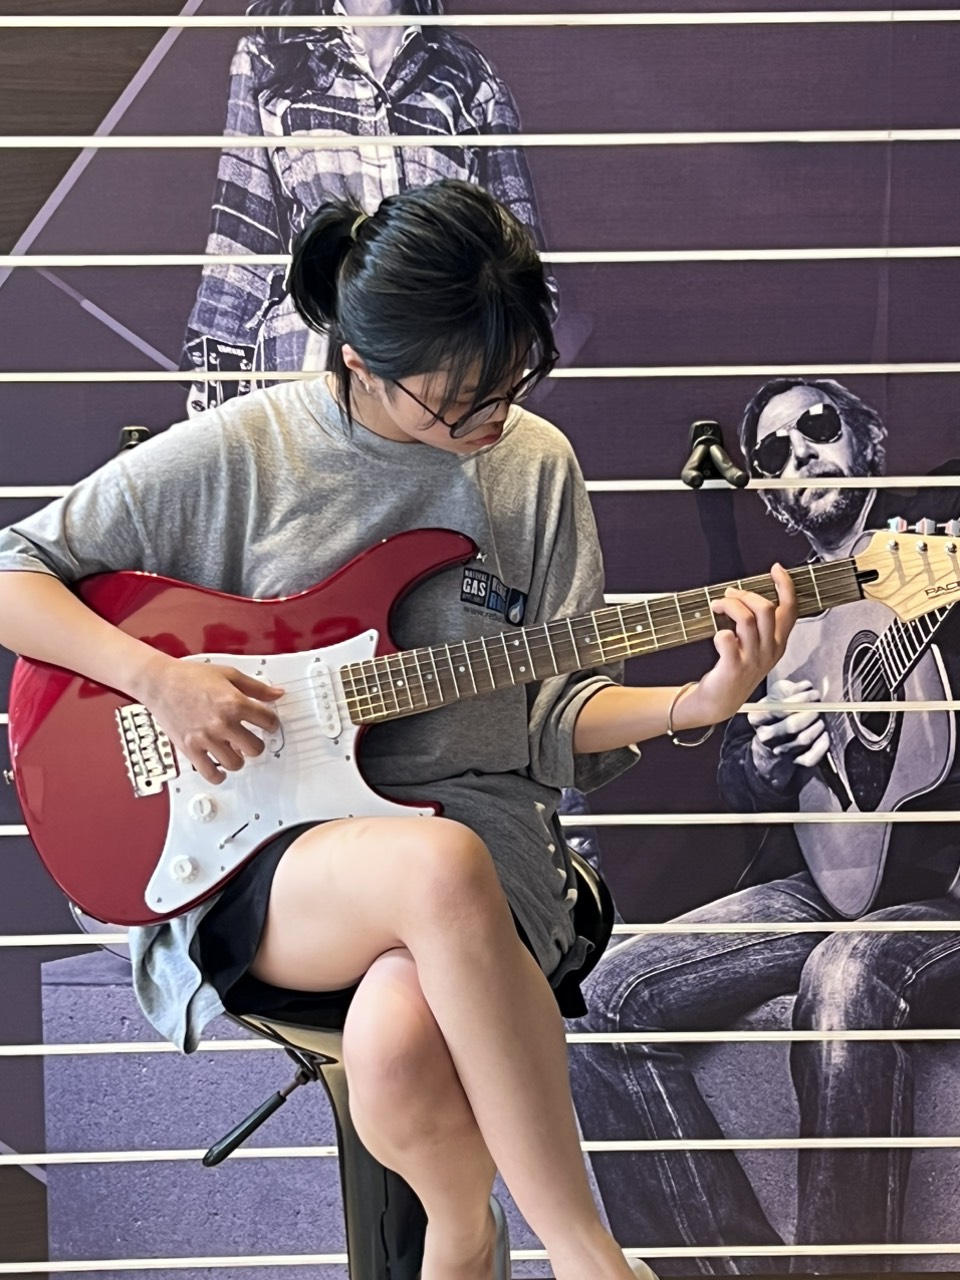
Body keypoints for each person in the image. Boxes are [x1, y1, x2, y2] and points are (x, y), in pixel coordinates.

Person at [0, 181, 795, 1280]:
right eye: (459, 402)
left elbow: (555, 712)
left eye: (513, 383)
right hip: (262, 853)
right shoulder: (248, 448)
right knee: (433, 865)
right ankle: (592, 1256)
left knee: (395, 1036)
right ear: (359, 364)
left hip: (487, 836)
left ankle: (462, 1232)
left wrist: (696, 704)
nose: (492, 421)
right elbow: (14, 571)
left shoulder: (535, 464)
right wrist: (157, 679)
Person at [569, 376, 960, 1274]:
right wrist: (771, 755)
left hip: (944, 889)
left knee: (849, 971)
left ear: (866, 439)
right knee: (603, 999)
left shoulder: (932, 543)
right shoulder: (790, 619)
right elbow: (742, 786)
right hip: (838, 880)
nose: (801, 455)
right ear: (773, 498)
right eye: (775, 454)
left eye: (818, 427)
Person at [183, 0, 557, 415]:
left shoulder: (467, 77)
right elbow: (240, 235)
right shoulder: (270, 55)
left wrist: (489, 374)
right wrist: (211, 383)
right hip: (306, 360)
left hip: (436, 366)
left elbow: (520, 259)